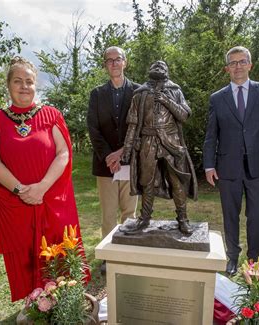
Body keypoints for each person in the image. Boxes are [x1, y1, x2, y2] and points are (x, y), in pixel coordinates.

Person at [0, 57, 90, 302]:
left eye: (29, 81)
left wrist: (41, 187)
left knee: (61, 250)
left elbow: (64, 153)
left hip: (51, 199)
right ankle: (35, 305)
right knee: (26, 256)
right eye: (18, 81)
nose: (24, 86)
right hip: (16, 203)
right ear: (8, 85)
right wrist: (21, 190)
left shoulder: (52, 115)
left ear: (35, 85)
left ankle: (66, 301)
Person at [203, 46, 259, 276]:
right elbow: (211, 135)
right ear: (227, 68)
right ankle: (233, 257)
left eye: (242, 61)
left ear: (250, 64)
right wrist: (209, 165)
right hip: (227, 168)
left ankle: (254, 260)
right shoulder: (217, 98)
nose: (238, 66)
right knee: (230, 216)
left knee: (257, 216)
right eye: (233, 63)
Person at [121, 60, 197, 234]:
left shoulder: (175, 91)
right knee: (146, 181)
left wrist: (166, 100)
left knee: (176, 181)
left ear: (167, 71)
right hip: (148, 141)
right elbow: (132, 124)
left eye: (162, 66)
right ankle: (144, 219)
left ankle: (183, 219)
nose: (158, 67)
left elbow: (184, 115)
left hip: (171, 141)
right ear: (149, 70)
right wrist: (127, 148)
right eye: (154, 65)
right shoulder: (139, 93)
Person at [87, 46, 140, 273]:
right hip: (105, 165)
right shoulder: (97, 94)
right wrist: (109, 156)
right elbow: (93, 128)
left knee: (130, 212)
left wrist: (123, 153)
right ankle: (110, 258)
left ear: (125, 62)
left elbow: (140, 127)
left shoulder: (139, 92)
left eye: (118, 59)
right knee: (109, 214)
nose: (114, 63)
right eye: (109, 60)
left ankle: (128, 254)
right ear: (105, 65)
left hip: (131, 162)